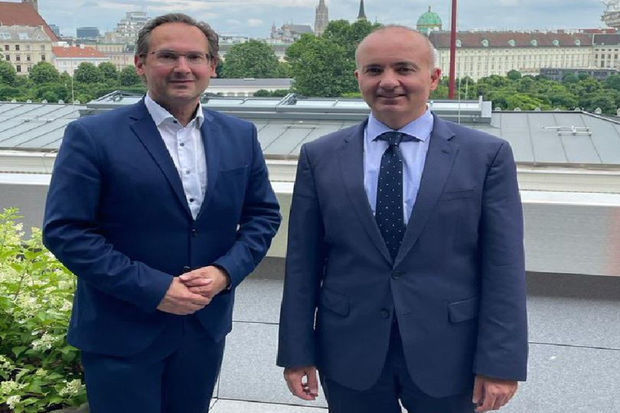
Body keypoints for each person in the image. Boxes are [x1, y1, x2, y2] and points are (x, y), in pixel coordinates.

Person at [277, 26, 527, 413]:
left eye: (404, 69)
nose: (389, 81)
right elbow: (302, 263)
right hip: (349, 352)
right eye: (374, 70)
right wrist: (296, 353)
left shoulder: (485, 155)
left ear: (434, 77)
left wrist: (500, 363)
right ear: (358, 77)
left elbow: (504, 266)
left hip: (451, 353)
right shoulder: (320, 156)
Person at [43, 13, 280, 413]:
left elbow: (262, 216)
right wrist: (154, 289)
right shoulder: (92, 136)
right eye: (168, 56)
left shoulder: (240, 135)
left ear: (213, 66)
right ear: (141, 63)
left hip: (203, 328)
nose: (183, 67)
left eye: (195, 57)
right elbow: (66, 231)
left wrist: (225, 273)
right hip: (121, 330)